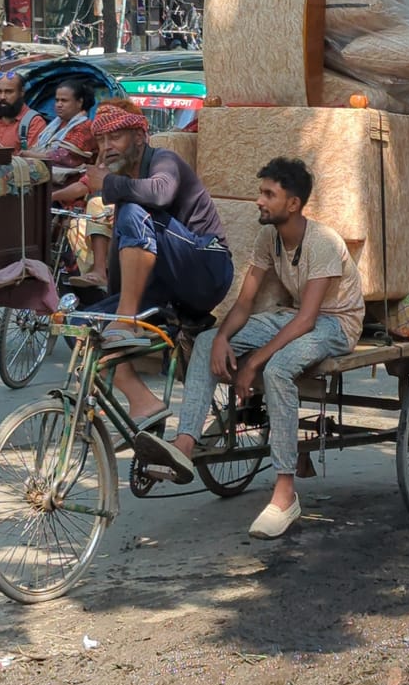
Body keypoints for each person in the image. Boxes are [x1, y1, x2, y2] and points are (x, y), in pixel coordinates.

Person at [135, 157, 365, 539]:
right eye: (261, 192)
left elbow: (309, 320)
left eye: (268, 194)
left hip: (336, 323)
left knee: (277, 370)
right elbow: (244, 303)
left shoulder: (322, 242)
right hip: (294, 315)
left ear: (293, 203)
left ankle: (285, 493)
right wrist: (221, 338)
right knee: (205, 340)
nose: (259, 200)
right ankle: (185, 444)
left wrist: (253, 362)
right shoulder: (268, 238)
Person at [84, 98, 234, 427]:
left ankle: (126, 319)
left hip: (207, 268)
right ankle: (143, 401)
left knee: (134, 210)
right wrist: (113, 305)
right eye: (101, 141)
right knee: (84, 326)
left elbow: (161, 193)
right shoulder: (127, 186)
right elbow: (125, 252)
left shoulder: (164, 160)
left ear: (140, 137)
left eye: (115, 138)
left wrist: (107, 184)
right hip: (167, 286)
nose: (106, 148)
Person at [23, 79, 97, 173]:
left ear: (79, 102)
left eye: (64, 101)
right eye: (57, 100)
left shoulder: (85, 127)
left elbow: (66, 157)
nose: (59, 105)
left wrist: (33, 155)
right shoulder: (54, 125)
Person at [0, 71, 46, 155]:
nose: (2, 97)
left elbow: (33, 160)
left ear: (22, 92)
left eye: (8, 92)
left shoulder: (35, 123)